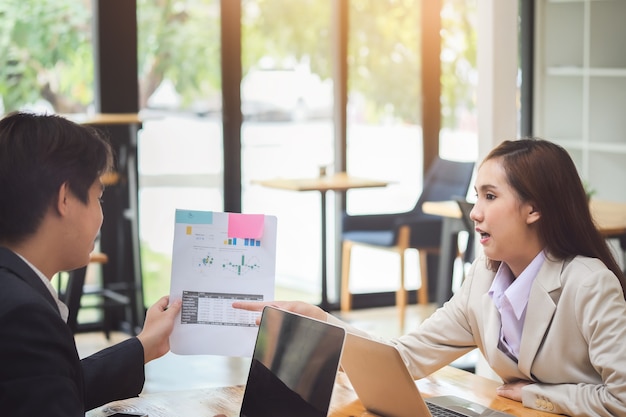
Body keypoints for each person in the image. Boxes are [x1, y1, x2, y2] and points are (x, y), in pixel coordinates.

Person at [234, 138, 626, 416]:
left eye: (490, 197)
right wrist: (319, 320)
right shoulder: (482, 280)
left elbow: (621, 400)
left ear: (533, 209)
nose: (474, 212)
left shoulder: (590, 283)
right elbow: (404, 357)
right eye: (477, 196)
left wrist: (540, 396)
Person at [0, 111, 182, 416]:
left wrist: (144, 346)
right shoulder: (24, 316)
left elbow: (50, 383)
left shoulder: (12, 290)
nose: (101, 215)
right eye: (98, 197)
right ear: (65, 199)